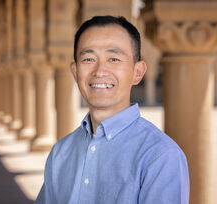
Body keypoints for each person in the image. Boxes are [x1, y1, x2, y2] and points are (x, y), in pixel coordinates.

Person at [35, 15, 189, 204]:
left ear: (137, 72)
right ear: (75, 72)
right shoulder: (60, 152)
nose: (99, 71)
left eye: (114, 59)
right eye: (89, 59)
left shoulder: (160, 155)